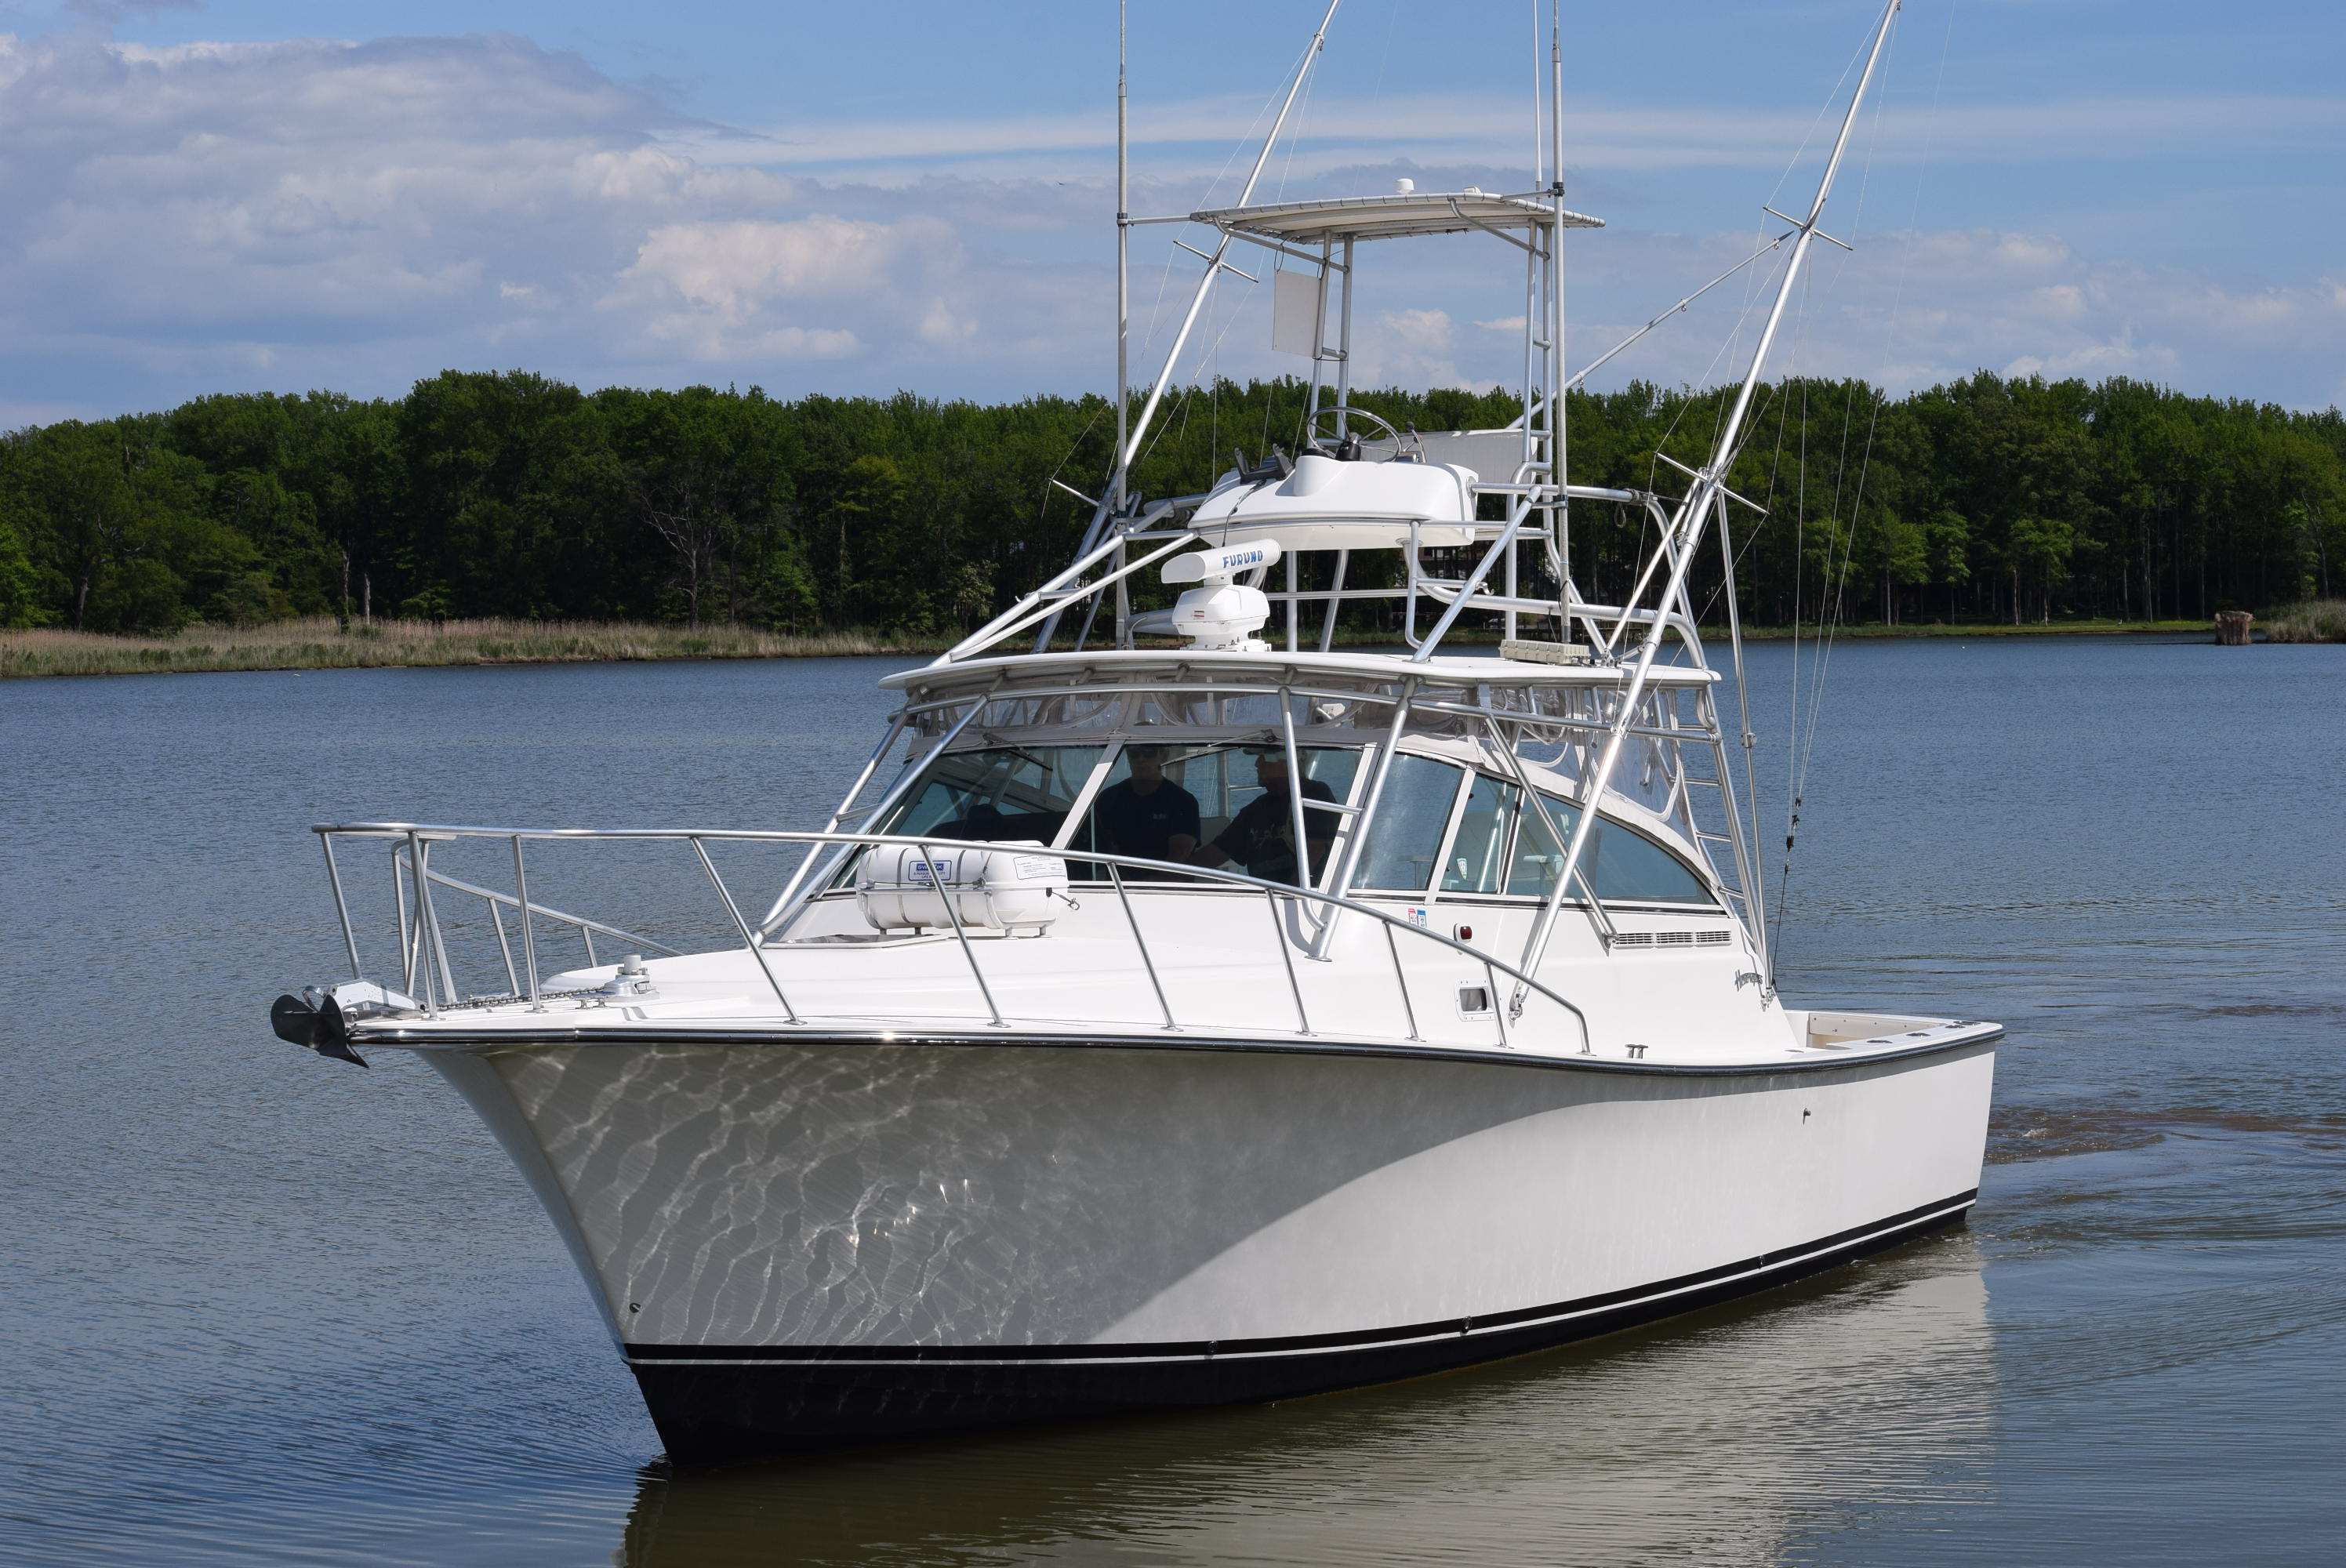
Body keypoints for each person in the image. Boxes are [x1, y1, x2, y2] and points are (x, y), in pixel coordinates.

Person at [1188, 748, 1336, 885]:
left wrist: (1292, 895)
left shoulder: (1315, 793)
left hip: (1306, 898)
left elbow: (1315, 850)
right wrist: (1174, 872)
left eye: (1262, 757)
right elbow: (1218, 851)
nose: (1257, 764)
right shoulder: (1256, 809)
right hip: (1266, 898)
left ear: (1285, 763)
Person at [1085, 743, 1200, 873]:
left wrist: (1153, 885)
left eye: (1149, 752)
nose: (1140, 759)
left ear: (1164, 755)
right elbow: (1102, 849)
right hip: (1116, 883)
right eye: (1133, 752)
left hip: (1168, 886)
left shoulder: (1183, 801)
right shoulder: (1108, 799)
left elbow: (1179, 856)